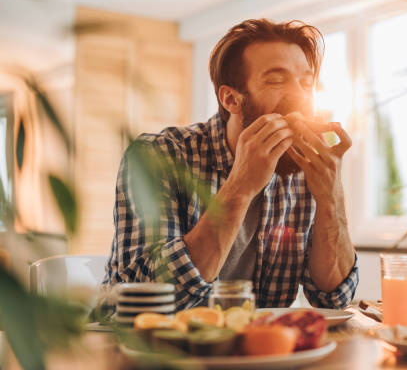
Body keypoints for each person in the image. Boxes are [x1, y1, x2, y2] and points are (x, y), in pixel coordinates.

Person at [103, 19, 358, 310]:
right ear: (230, 99)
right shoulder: (158, 156)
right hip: (151, 347)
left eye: (306, 82)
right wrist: (240, 186)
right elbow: (143, 298)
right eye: (276, 80)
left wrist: (331, 197)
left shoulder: (304, 169)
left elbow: (334, 297)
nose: (300, 95)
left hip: (258, 350)